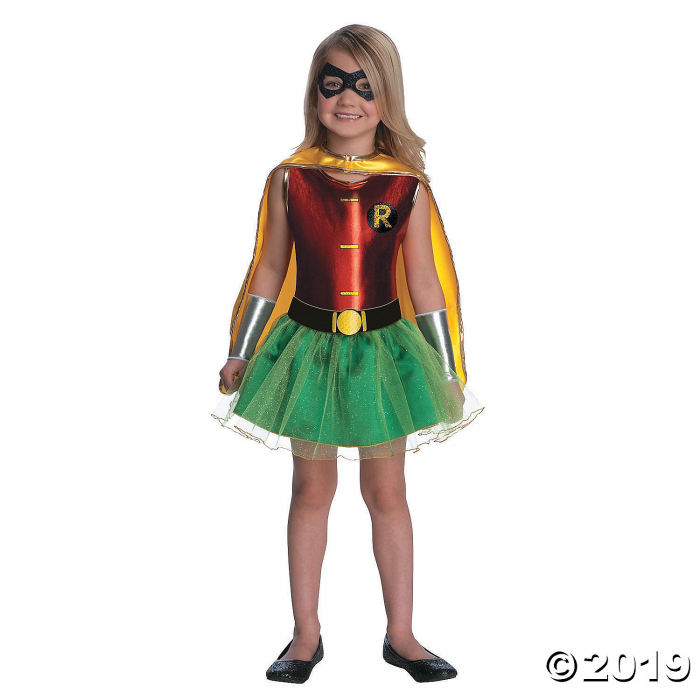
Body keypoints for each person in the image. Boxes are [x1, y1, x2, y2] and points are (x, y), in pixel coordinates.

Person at [211, 24, 484, 683]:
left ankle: (402, 635)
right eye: (332, 83)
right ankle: (305, 635)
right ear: (314, 95)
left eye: (364, 85)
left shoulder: (406, 187)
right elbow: (268, 268)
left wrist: (448, 367)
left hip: (383, 357)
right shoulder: (290, 180)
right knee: (311, 489)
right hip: (307, 351)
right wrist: (241, 349)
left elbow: (426, 284)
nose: (348, 98)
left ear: (387, 98)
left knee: (387, 492)